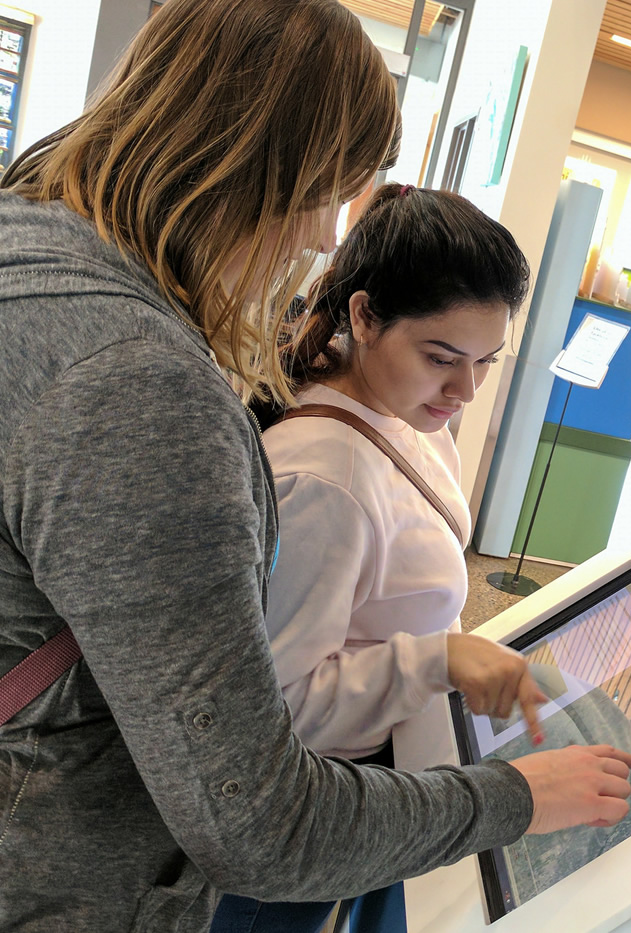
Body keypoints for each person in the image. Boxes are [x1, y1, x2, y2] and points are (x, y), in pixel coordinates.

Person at [0, 2, 631, 930]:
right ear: (242, 162)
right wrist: (516, 797)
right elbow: (260, 819)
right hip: (17, 887)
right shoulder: (129, 384)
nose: (324, 232)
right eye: (322, 189)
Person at [213, 185, 552, 932]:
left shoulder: (399, 409)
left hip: (388, 767)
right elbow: (282, 709)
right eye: (442, 357)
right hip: (319, 807)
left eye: (486, 361)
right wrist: (436, 660)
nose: (464, 389)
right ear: (364, 317)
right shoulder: (325, 478)